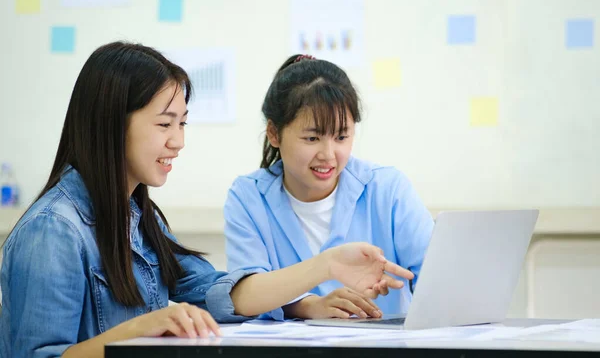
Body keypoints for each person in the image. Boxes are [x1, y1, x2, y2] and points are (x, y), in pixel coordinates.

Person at [0, 43, 412, 358]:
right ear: (110, 126)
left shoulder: (141, 219)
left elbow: (219, 292)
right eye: (164, 124)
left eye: (182, 123)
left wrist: (321, 274)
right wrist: (141, 330)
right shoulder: (52, 231)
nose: (178, 142)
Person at [225, 54, 434, 321]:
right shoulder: (248, 197)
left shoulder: (388, 189)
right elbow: (244, 296)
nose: (329, 154)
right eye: (312, 138)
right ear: (274, 133)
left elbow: (438, 276)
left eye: (342, 137)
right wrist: (309, 303)